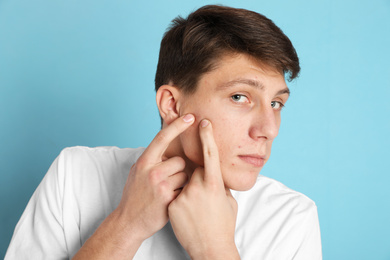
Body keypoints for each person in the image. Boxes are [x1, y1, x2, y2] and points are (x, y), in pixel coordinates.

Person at [5, 5, 322, 260]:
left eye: (277, 103)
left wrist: (215, 251)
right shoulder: (75, 175)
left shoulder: (290, 217)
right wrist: (126, 225)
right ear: (172, 104)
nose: (268, 129)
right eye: (240, 97)